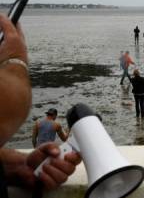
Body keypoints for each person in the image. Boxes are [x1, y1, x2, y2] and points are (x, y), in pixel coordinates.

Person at [0, 14, 81, 196]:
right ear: (54, 114)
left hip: (39, 150)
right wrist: (15, 60)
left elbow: (34, 138)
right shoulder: (56, 124)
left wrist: (16, 166)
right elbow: (9, 110)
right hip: (50, 148)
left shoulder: (37, 122)